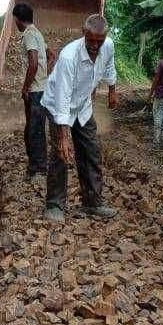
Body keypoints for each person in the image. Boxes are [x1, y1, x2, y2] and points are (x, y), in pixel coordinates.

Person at [41, 14, 119, 223]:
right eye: (90, 40)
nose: (94, 46)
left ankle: (92, 203)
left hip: (82, 106)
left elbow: (109, 66)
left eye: (99, 41)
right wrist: (63, 137)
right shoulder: (69, 57)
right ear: (83, 33)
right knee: (60, 153)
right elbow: (63, 99)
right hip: (58, 105)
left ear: (105, 37)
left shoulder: (108, 46)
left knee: (91, 150)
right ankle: (54, 204)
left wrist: (112, 90)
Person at [12, 2, 49, 178]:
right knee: (34, 128)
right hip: (41, 88)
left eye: (15, 20)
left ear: (18, 19)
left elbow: (33, 63)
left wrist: (25, 88)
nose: (15, 23)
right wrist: (46, 75)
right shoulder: (37, 33)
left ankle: (38, 169)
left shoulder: (28, 35)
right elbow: (51, 55)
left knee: (34, 130)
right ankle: (36, 165)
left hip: (35, 91)